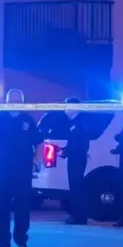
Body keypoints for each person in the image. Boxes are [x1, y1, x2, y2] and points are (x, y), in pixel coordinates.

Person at [0, 88, 41, 247]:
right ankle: (3, 240)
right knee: (2, 205)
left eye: (18, 100)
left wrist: (37, 161)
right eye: (12, 100)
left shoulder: (28, 120)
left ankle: (21, 239)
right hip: (5, 169)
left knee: (23, 206)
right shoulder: (0, 119)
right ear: (7, 102)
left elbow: (39, 143)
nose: (15, 103)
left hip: (23, 170)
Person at [39, 96, 89, 225]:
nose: (65, 109)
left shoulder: (80, 122)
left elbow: (80, 144)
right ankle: (77, 216)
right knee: (74, 186)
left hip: (77, 158)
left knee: (76, 187)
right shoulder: (74, 122)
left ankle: (79, 217)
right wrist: (64, 150)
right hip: (74, 157)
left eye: (67, 106)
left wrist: (66, 151)